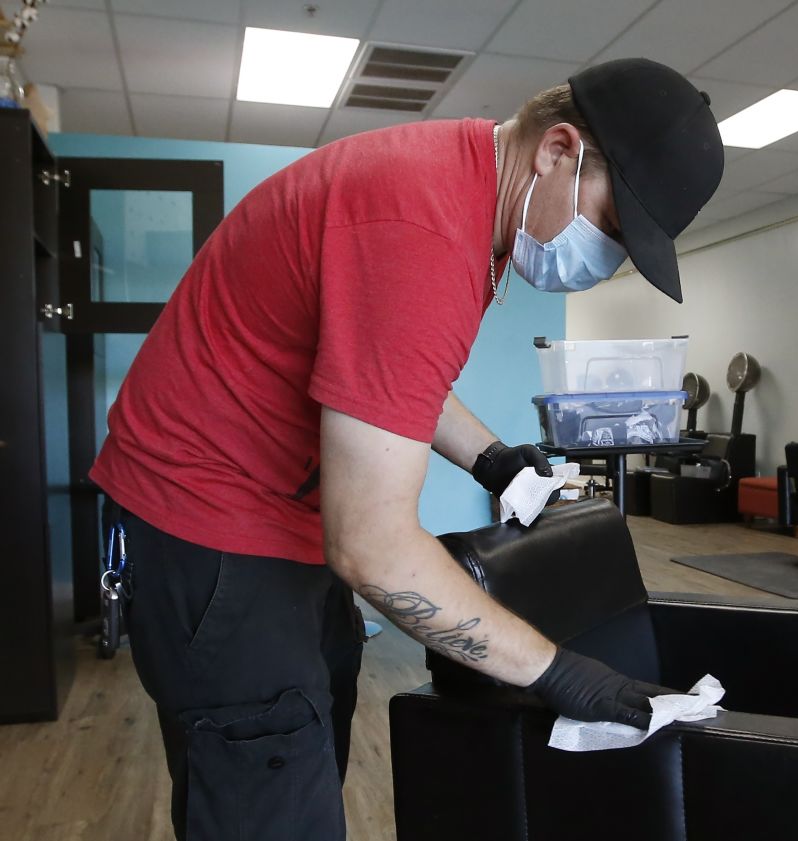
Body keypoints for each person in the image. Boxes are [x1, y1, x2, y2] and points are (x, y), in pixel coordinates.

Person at [90, 57, 724, 840]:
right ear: (559, 150)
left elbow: (381, 371)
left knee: (315, 725)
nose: (606, 259)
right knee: (272, 790)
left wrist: (492, 456)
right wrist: (557, 671)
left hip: (270, 512)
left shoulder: (455, 187)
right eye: (615, 225)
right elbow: (374, 548)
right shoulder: (422, 230)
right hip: (209, 526)